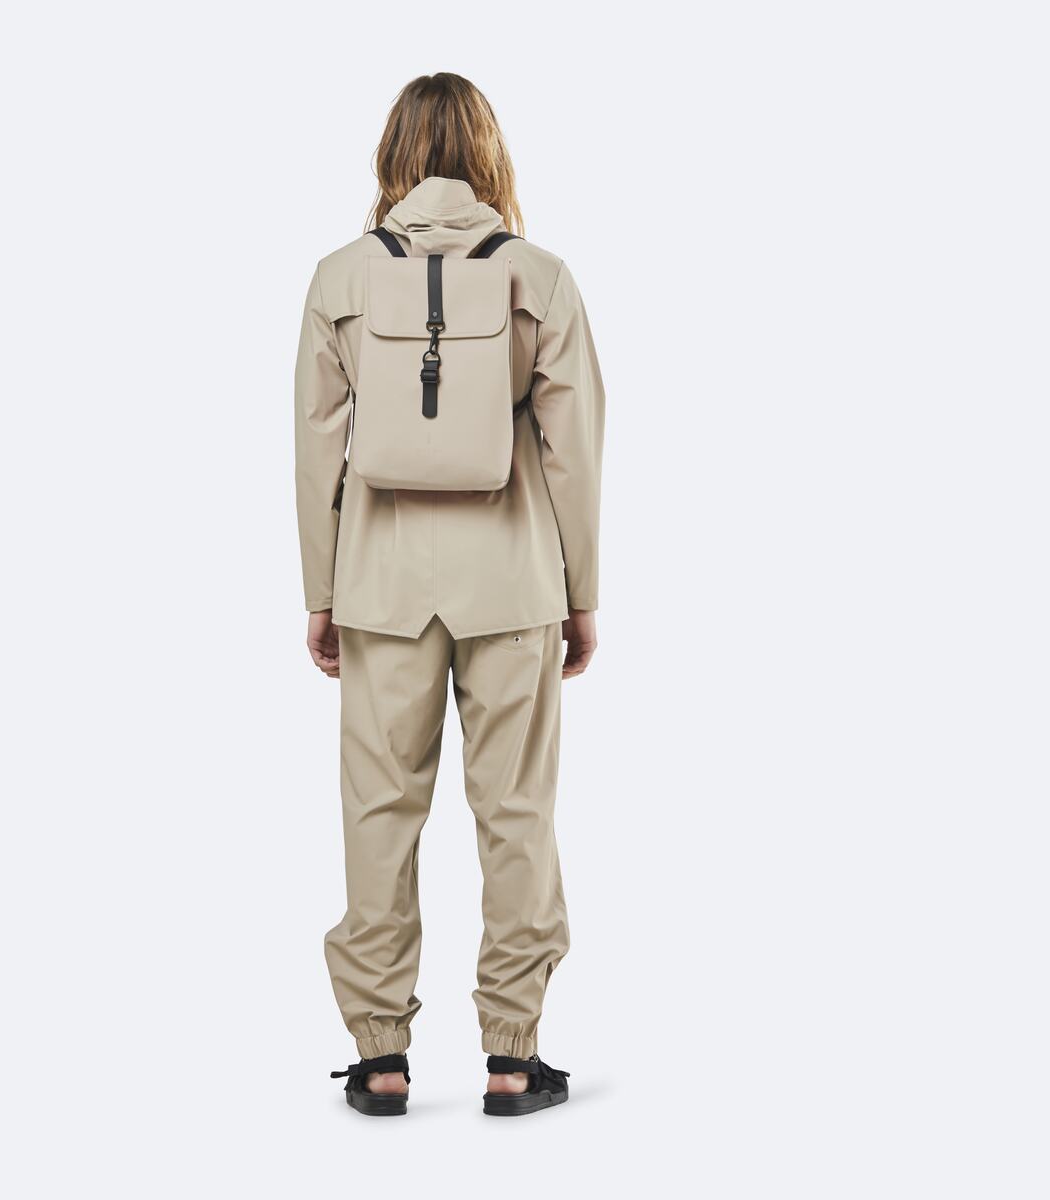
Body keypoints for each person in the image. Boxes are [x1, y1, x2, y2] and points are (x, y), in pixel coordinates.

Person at [294, 72, 604, 1117]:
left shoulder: (340, 279)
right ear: (488, 154)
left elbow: (316, 449)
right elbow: (574, 452)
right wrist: (582, 593)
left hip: (380, 583)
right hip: (512, 583)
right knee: (516, 815)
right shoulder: (539, 277)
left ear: (393, 153)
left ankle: (381, 1057)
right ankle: (512, 1057)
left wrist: (321, 591)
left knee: (380, 814)